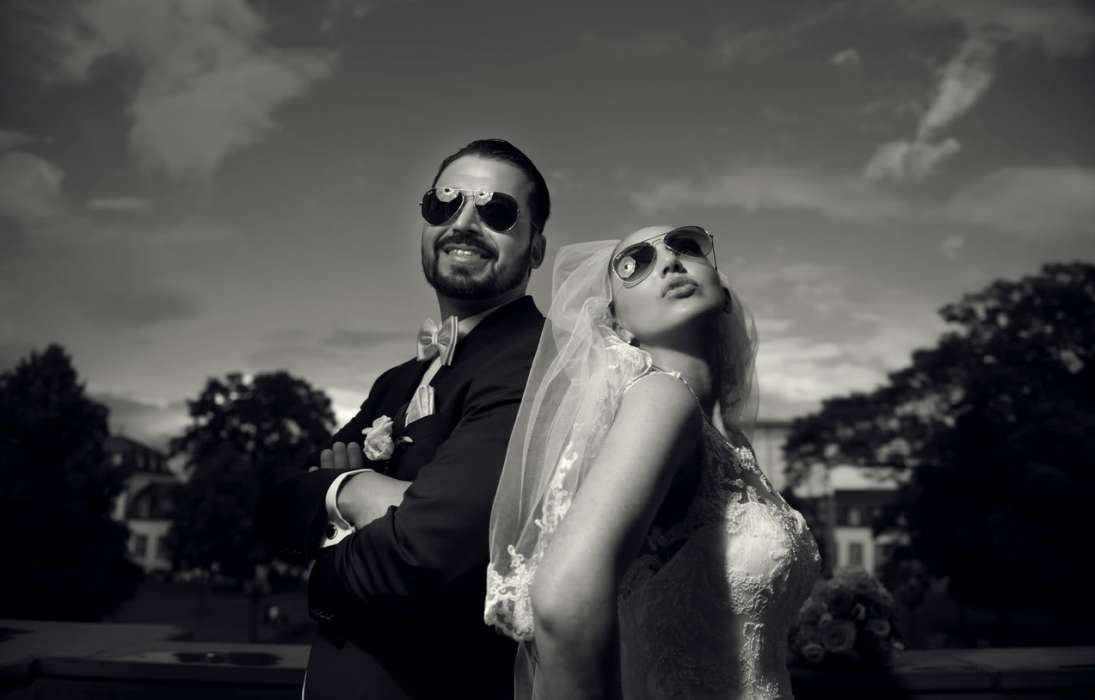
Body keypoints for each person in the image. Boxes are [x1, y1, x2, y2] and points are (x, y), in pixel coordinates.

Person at [258, 138, 549, 700]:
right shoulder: (395, 381)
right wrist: (355, 491)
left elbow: (429, 558)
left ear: (535, 248)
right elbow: (276, 503)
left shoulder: (535, 360)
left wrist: (332, 513)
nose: (463, 223)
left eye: (496, 211)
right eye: (445, 203)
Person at [485, 227, 821, 699]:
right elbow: (562, 599)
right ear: (618, 324)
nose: (669, 261)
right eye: (635, 263)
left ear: (724, 293)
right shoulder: (663, 398)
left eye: (686, 246)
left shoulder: (730, 441)